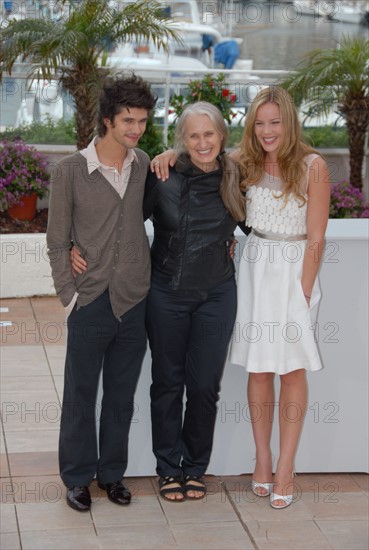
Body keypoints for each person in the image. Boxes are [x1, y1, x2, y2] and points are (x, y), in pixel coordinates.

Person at [150, 86, 330, 509]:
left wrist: (302, 293)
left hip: (293, 276)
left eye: (275, 122)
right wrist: (167, 154)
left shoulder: (313, 165)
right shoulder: (241, 165)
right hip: (253, 272)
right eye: (260, 123)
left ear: (289, 122)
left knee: (292, 372)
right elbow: (198, 156)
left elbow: (318, 238)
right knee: (259, 371)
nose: (267, 131)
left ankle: (286, 465)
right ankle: (262, 460)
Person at [72, 101, 247, 502]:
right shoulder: (161, 175)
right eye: (193, 135)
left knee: (205, 387)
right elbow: (122, 220)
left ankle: (194, 467)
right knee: (167, 383)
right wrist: (71, 244)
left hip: (218, 295)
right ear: (181, 141)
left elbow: (260, 223)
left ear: (221, 136)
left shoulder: (237, 177)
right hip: (165, 293)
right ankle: (168, 468)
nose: (202, 142)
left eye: (209, 134)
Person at [47, 73, 157, 512]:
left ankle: (111, 475)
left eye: (143, 122)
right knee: (80, 393)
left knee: (120, 395)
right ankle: (76, 477)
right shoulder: (70, 171)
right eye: (129, 121)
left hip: (134, 298)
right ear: (108, 120)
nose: (136, 130)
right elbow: (57, 241)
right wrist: (69, 294)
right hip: (90, 299)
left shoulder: (145, 163)